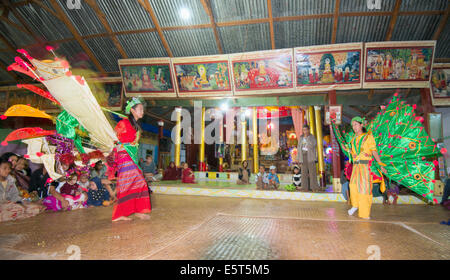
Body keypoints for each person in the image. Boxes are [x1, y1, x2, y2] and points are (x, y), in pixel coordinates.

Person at [112, 98, 151, 222]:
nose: (142, 111)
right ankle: (118, 215)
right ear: (132, 110)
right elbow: (114, 139)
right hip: (124, 157)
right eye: (140, 109)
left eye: (142, 109)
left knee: (139, 183)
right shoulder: (123, 123)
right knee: (128, 184)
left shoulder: (136, 125)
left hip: (131, 158)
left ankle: (137, 211)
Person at [343, 117, 387, 219]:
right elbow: (354, 153)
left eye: (356, 124)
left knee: (364, 189)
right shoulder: (353, 139)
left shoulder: (368, 137)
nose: (354, 127)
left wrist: (380, 164)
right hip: (356, 167)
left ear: (361, 125)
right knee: (353, 186)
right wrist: (348, 150)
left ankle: (364, 213)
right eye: (353, 125)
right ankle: (355, 206)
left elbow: (374, 151)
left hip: (365, 167)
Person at [297, 125, 319, 192]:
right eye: (303, 130)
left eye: (306, 130)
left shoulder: (312, 137)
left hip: (310, 156)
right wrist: (299, 158)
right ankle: (304, 187)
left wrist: (307, 139)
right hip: (303, 155)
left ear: (308, 130)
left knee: (312, 172)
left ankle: (314, 187)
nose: (305, 131)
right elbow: (298, 147)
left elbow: (313, 144)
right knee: (303, 172)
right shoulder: (301, 137)